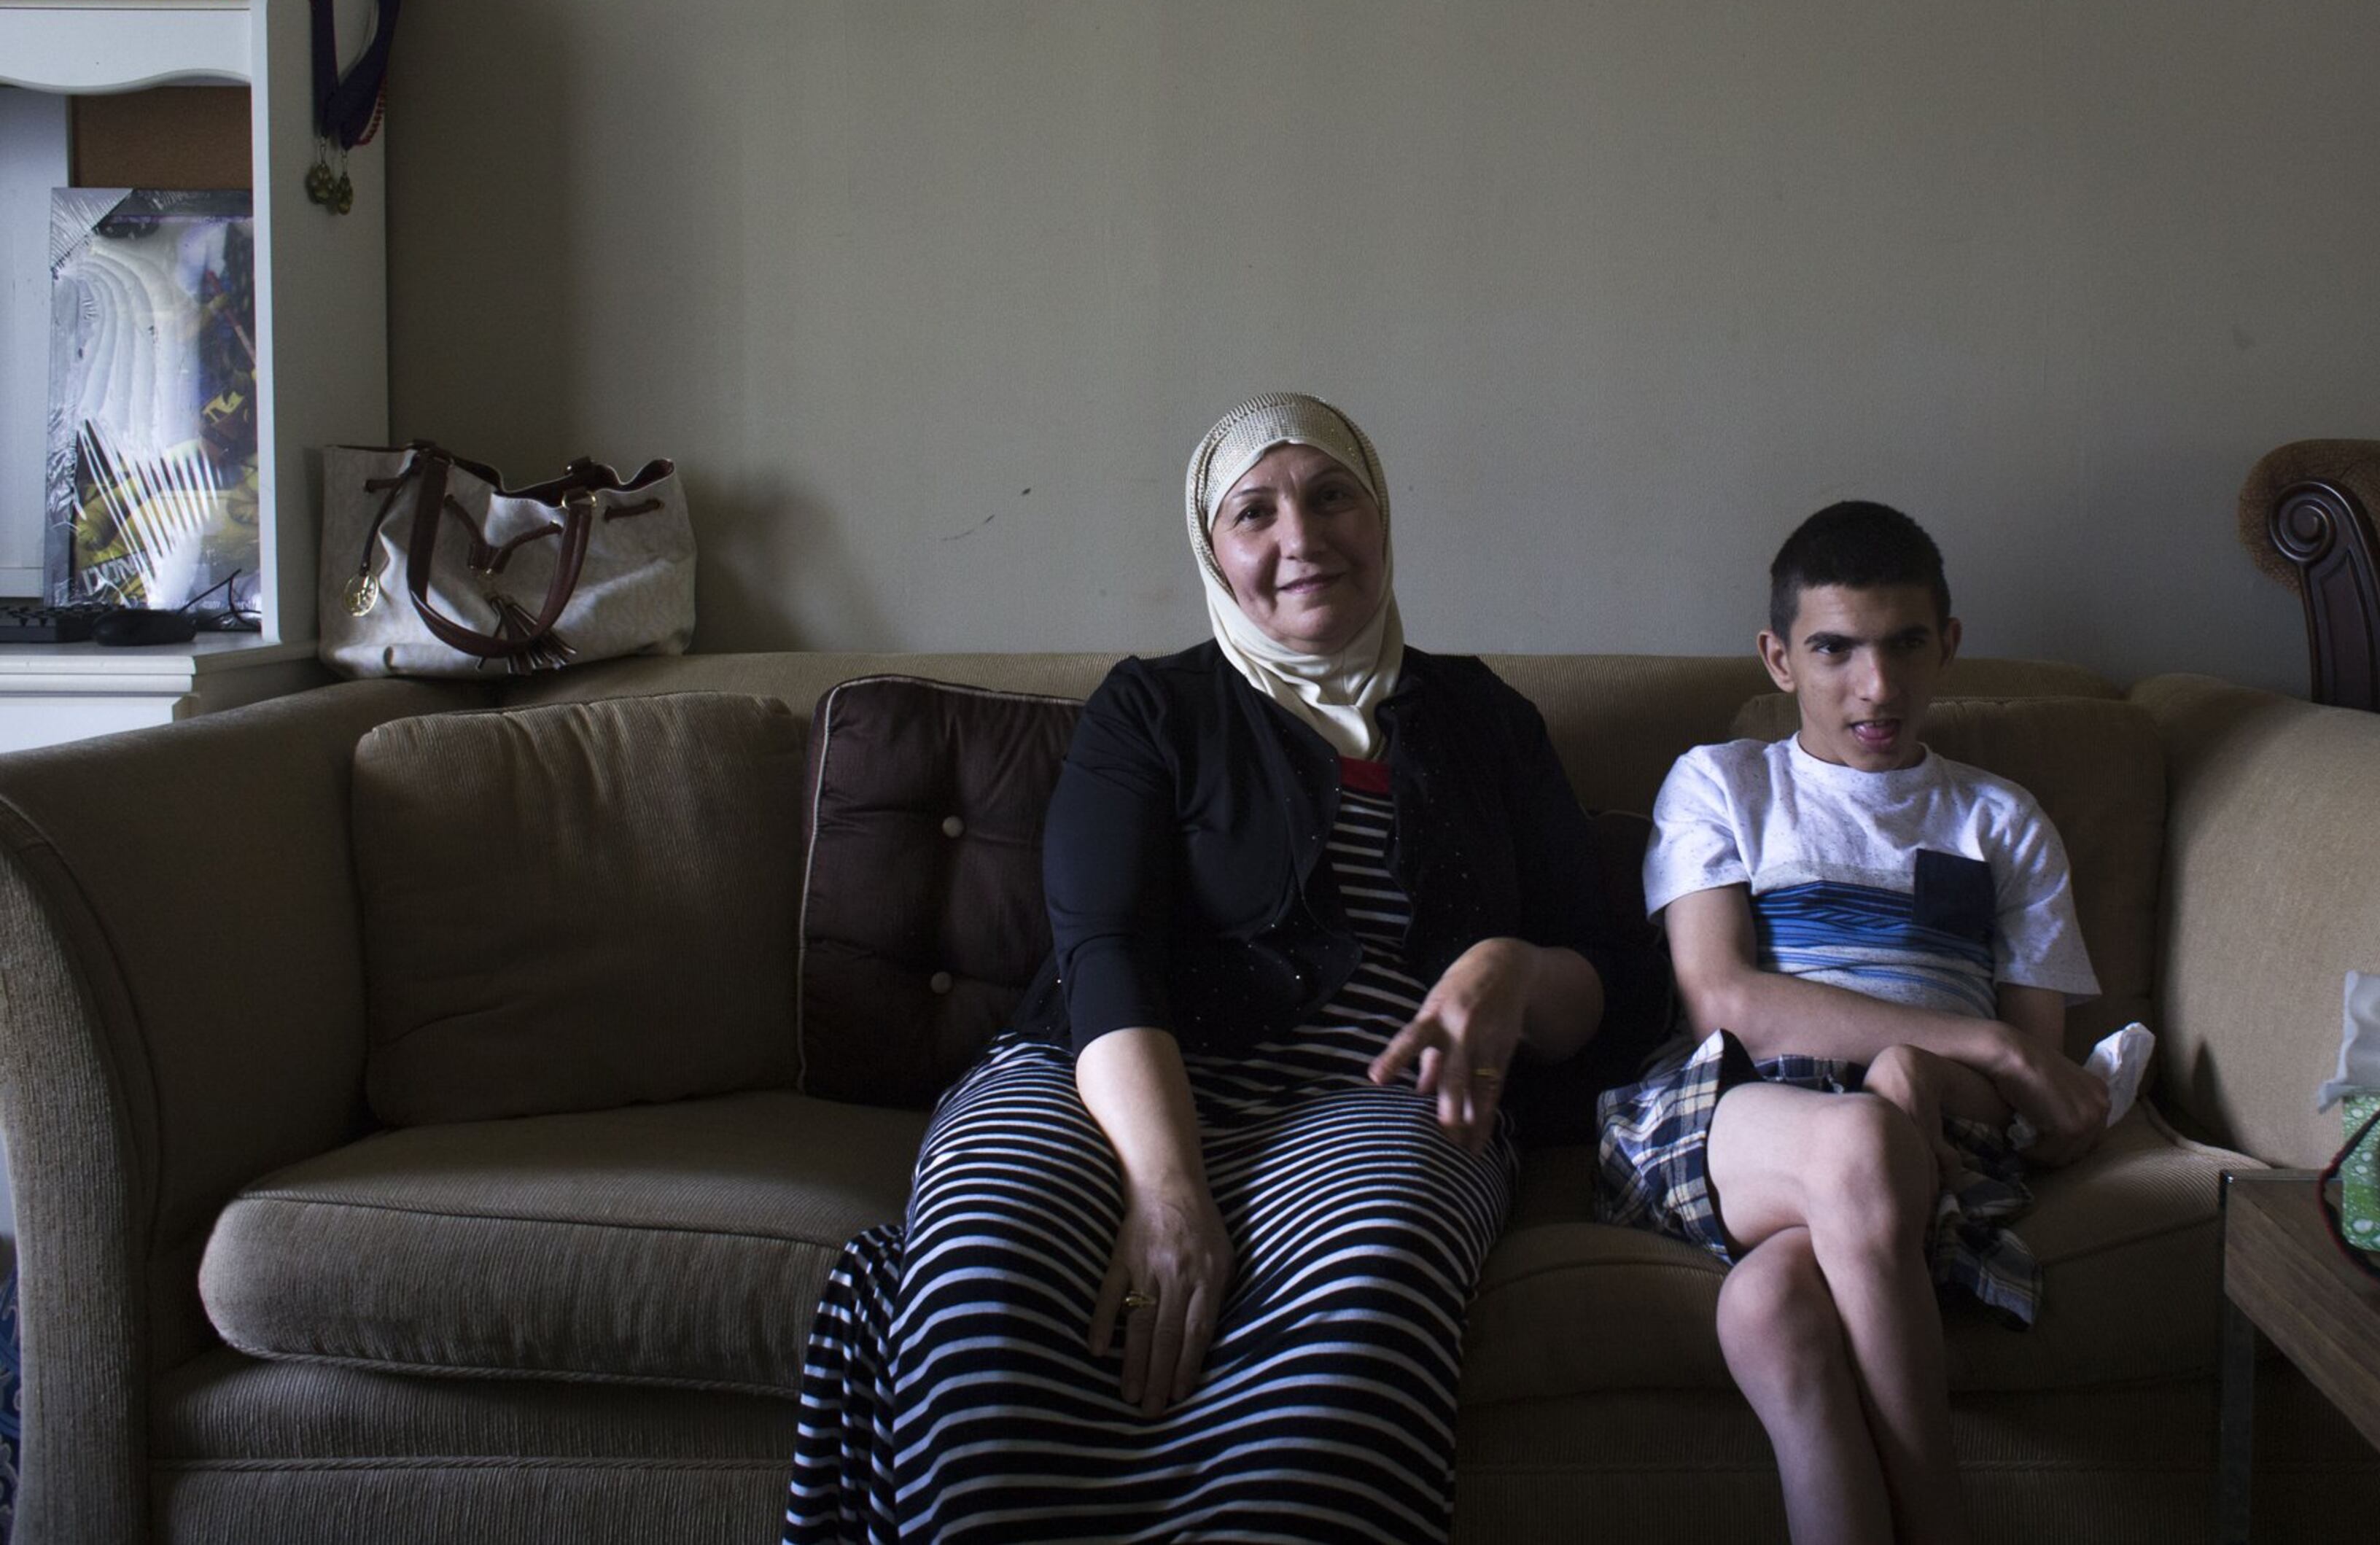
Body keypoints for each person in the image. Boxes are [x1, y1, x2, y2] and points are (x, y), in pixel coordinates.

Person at [787, 392, 1658, 1545]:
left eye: (1332, 494)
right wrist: (1166, 1186)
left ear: (1382, 514)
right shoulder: (1153, 707)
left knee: (1372, 1281)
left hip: (1376, 1098)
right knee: (984, 1259)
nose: (1302, 537)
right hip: (1103, 1078)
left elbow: (1615, 980)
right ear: (1214, 550)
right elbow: (1099, 949)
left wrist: (1513, 969)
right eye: (1256, 511)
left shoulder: (1487, 719)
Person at [1593, 501, 2109, 1545]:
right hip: (1737, 1108)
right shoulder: (1723, 784)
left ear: (1948, 646)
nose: (1876, 688)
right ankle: (1945, 1521)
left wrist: (1955, 1072)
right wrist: (1972, 1045)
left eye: (1905, 645)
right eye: (1834, 650)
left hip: (1931, 1133)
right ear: (1779, 658)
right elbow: (1723, 1000)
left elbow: (2035, 1088)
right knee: (1868, 1132)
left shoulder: (2000, 820)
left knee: (1772, 1310)